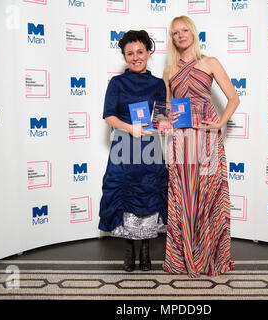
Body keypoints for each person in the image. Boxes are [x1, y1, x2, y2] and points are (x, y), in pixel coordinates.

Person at [162, 16, 240, 277]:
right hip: (180, 139)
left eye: (184, 30)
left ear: (193, 33)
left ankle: (209, 257)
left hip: (206, 138)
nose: (180, 35)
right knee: (183, 196)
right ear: (171, 39)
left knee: (207, 194)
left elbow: (233, 98)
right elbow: (170, 108)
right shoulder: (169, 71)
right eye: (175, 33)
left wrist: (220, 123)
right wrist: (163, 120)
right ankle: (182, 259)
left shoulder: (210, 63)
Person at [98, 30, 168, 272]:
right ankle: (129, 250)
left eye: (140, 52)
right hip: (124, 146)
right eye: (130, 53)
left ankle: (146, 249)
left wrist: (166, 123)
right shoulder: (116, 83)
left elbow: (160, 117)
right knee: (126, 195)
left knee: (148, 194)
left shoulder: (158, 84)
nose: (136, 57)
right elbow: (108, 116)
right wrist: (130, 128)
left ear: (149, 53)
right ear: (124, 56)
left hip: (150, 148)